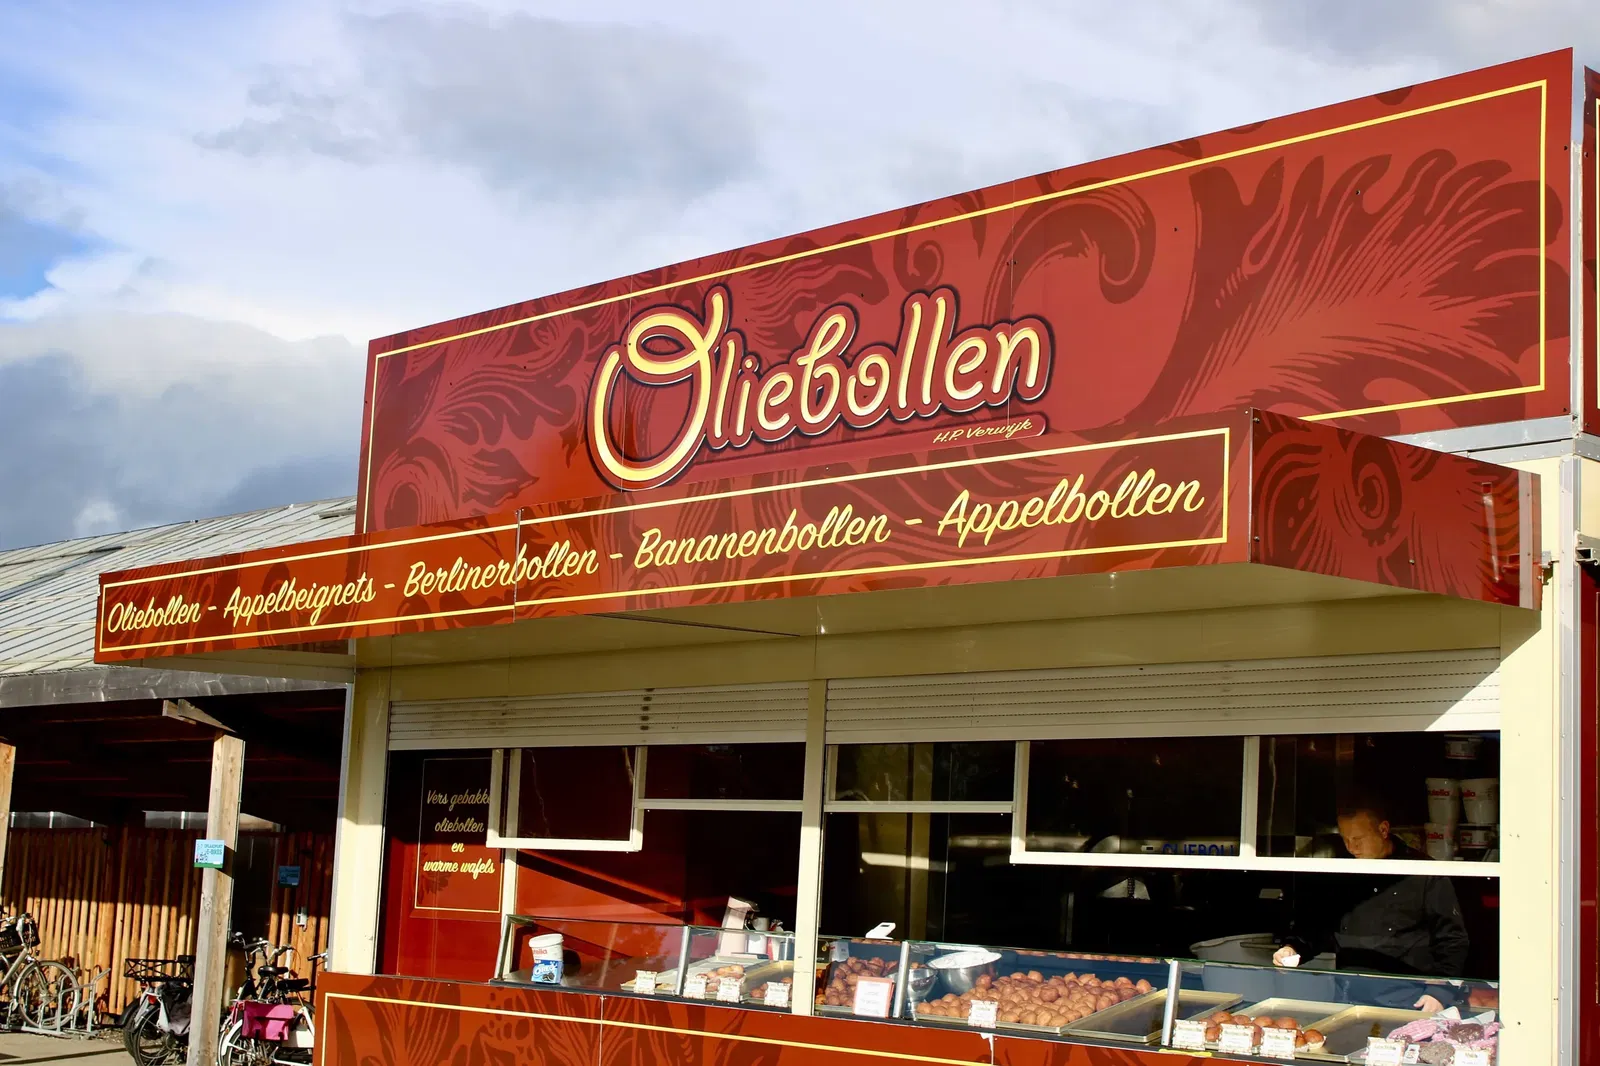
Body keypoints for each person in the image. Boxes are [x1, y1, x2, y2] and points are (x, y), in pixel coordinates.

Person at [1271, 797, 1470, 1012]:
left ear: (1383, 830)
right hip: (1347, 998)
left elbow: (1452, 940)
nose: (1351, 847)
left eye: (1358, 838)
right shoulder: (1342, 873)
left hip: (1409, 1001)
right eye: (1345, 838)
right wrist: (1293, 948)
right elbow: (1320, 929)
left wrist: (1439, 993)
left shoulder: (1424, 873)